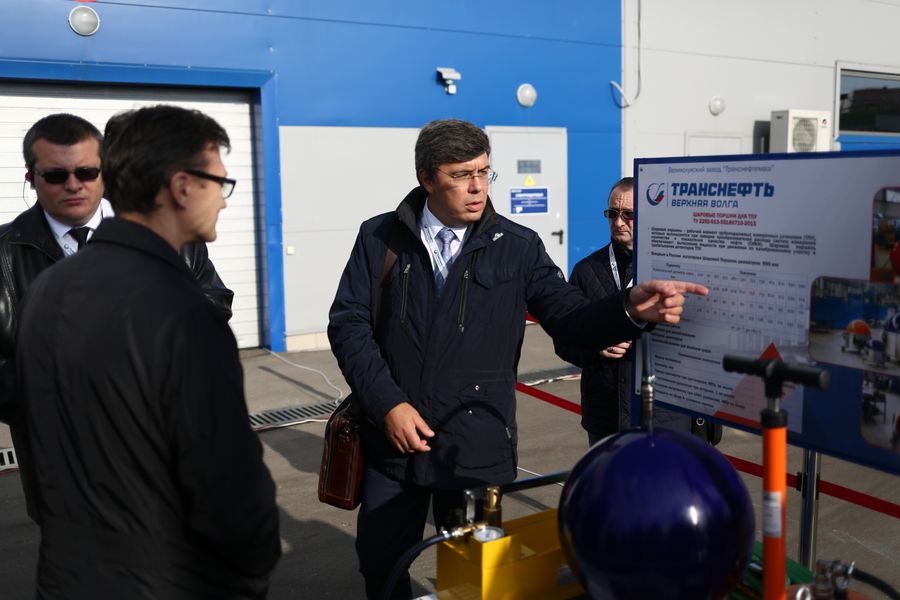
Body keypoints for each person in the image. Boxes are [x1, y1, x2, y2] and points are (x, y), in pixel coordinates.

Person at [327, 118, 707, 599]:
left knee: (473, 578)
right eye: (461, 175)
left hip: (473, 450)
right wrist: (388, 405)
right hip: (394, 444)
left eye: (484, 172)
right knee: (381, 564)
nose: (478, 187)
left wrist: (626, 310)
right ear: (426, 178)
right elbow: (349, 325)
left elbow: (570, 317)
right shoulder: (380, 237)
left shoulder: (518, 246)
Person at [14, 105, 280, 598]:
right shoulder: (183, 311)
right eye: (220, 183)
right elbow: (228, 490)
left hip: (67, 576)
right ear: (181, 187)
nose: (224, 202)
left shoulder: (48, 288)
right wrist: (253, 568)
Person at [0, 113, 234, 521]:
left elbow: (214, 301)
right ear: (31, 178)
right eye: (56, 175)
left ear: (105, 171)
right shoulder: (4, 254)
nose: (74, 184)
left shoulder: (167, 231)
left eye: (87, 172)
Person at [554, 177, 694, 444]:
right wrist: (596, 348)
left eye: (629, 214)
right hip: (606, 415)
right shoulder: (586, 271)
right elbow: (564, 339)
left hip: (664, 414)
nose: (618, 222)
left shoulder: (674, 268)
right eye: (612, 213)